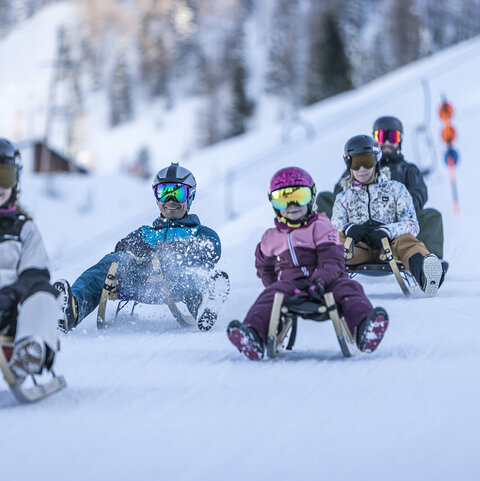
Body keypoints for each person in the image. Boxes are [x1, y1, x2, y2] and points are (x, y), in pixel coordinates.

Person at [226, 166, 389, 360]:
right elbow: (263, 264)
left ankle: (364, 328)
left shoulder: (321, 226)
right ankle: (253, 335)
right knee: (267, 297)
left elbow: (333, 261)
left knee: (350, 288)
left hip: (328, 283)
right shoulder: (271, 237)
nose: (292, 205)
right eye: (283, 199)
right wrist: (273, 285)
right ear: (274, 203)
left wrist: (319, 281)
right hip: (291, 285)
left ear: (311, 198)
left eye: (300, 197)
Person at [55, 162, 228, 332]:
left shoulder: (200, 232)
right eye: (164, 193)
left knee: (184, 265)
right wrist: (138, 250)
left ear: (190, 196)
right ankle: (72, 308)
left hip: (178, 283)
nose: (170, 200)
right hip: (138, 281)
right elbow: (122, 246)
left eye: (178, 193)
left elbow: (211, 250)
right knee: (114, 260)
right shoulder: (145, 232)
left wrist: (173, 250)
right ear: (157, 197)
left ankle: (204, 304)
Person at [331, 135, 446, 297]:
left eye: (367, 162)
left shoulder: (396, 189)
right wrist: (349, 228)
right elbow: (335, 223)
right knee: (337, 243)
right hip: (358, 248)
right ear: (349, 164)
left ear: (376, 162)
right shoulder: (344, 196)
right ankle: (323, 278)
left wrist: (388, 230)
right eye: (356, 163)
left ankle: (425, 271)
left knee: (407, 241)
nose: (362, 169)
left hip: (390, 247)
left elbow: (411, 223)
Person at [315, 116, 444, 258]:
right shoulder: (360, 165)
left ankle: (429, 261)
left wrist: (395, 206)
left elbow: (420, 193)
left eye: (392, 137)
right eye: (382, 136)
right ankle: (323, 251)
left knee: (431, 216)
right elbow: (340, 190)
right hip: (358, 223)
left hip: (396, 223)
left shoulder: (408, 169)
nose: (387, 142)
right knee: (325, 198)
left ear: (400, 140)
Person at [0, 138, 61, 384]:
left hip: (11, 315)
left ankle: (29, 352)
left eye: (3, 176)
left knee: (45, 294)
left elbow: (35, 273)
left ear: (15, 181)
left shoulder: (24, 230)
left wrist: (12, 294)